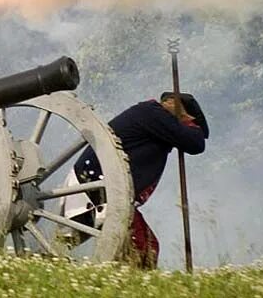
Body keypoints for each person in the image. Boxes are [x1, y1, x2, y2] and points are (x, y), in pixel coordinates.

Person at [69, 93, 208, 268]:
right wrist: (185, 122)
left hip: (109, 187)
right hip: (100, 183)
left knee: (147, 247)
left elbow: (194, 141)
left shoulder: (154, 118)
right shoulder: (153, 113)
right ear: (171, 102)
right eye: (184, 117)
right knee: (144, 249)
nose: (182, 123)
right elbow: (195, 142)